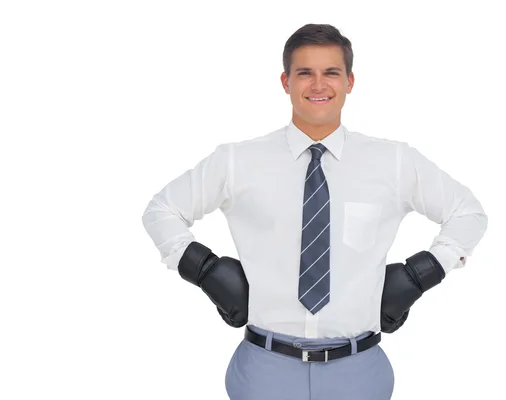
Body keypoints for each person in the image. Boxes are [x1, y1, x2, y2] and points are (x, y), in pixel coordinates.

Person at [141, 23, 488, 400]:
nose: (318, 85)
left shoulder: (395, 162)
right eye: (305, 72)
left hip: (360, 371)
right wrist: (205, 270)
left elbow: (467, 213)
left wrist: (422, 274)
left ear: (350, 81)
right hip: (263, 369)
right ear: (285, 81)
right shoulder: (237, 161)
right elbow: (162, 210)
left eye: (331, 73)